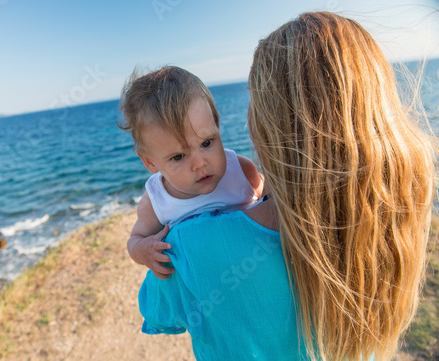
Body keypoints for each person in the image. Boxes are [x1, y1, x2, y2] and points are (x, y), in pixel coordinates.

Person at [138, 11, 436, 361]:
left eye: (254, 96)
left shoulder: (186, 247)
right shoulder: (393, 216)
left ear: (270, 120)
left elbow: (158, 313)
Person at [118, 66, 264, 279]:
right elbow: (135, 239)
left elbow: (267, 203)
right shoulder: (157, 201)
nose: (199, 163)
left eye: (206, 143)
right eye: (178, 157)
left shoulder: (241, 171)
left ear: (216, 125)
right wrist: (143, 250)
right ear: (150, 162)